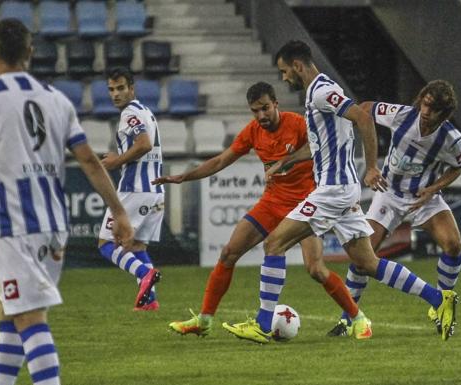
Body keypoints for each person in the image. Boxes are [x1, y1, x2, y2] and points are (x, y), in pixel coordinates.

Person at [0, 19, 135, 385]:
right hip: (55, 223)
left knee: (28, 318)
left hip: (16, 225)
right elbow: (88, 160)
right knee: (10, 308)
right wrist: (118, 211)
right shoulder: (57, 99)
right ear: (30, 53)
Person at [222, 40, 459, 343]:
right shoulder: (318, 92)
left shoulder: (321, 91)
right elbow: (323, 145)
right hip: (341, 189)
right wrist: (286, 162)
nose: (284, 78)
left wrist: (372, 167)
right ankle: (440, 300)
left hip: (332, 190)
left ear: (297, 66)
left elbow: (362, 116)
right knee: (367, 263)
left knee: (274, 244)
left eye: (284, 71)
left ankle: (262, 324)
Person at [154, 81, 367, 339]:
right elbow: (221, 160)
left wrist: (285, 163)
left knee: (315, 269)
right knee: (229, 253)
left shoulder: (298, 123)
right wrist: (183, 177)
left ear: (276, 103)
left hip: (306, 204)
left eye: (265, 108)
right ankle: (205, 320)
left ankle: (358, 318)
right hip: (273, 201)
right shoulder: (253, 131)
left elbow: (318, 148)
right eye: (255, 110)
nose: (261, 115)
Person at [327, 80, 461, 337]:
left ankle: (442, 306)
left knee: (454, 244)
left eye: (433, 109)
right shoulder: (401, 115)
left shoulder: (451, 140)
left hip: (423, 198)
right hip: (388, 193)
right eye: (424, 104)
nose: (426, 112)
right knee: (363, 256)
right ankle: (348, 319)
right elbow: (365, 109)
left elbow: (457, 166)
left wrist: (434, 188)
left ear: (443, 114)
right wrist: (369, 162)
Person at [97, 67, 164, 311]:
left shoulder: (129, 114)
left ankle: (145, 273)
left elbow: (144, 144)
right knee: (136, 247)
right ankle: (149, 301)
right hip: (156, 191)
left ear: (131, 89)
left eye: (120, 88)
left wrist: (117, 160)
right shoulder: (146, 111)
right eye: (111, 89)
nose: (115, 94)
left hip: (134, 189)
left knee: (106, 244)